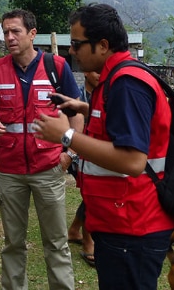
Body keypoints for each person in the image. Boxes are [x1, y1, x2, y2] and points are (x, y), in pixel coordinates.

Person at [32, 4, 174, 290]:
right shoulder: (115, 79)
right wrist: (83, 107)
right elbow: (122, 123)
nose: (71, 51)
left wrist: (66, 137)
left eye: (76, 44)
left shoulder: (126, 84)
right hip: (119, 221)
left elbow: (133, 161)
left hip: (132, 226)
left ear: (103, 45)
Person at [0, 9, 84, 290]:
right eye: (6, 32)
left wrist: (69, 154)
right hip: (10, 172)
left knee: (56, 242)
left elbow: (77, 113)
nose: (9, 37)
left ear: (32, 34)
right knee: (13, 243)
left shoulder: (57, 66)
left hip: (49, 168)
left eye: (16, 31)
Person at [67, 71, 99, 267]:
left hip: (97, 152)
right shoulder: (76, 97)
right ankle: (88, 241)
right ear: (87, 71)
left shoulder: (106, 95)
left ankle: (74, 230)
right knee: (92, 194)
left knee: (91, 193)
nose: (101, 75)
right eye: (97, 71)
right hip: (77, 152)